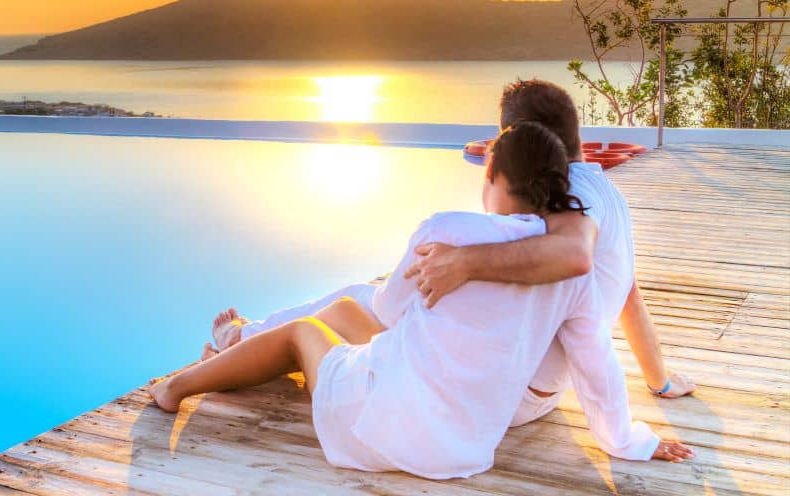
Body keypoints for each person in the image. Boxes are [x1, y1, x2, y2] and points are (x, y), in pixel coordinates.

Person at [150, 123, 693, 479]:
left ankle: (176, 389)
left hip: (380, 428)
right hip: (463, 446)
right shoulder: (572, 270)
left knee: (306, 333)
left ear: (497, 180)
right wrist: (629, 441)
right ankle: (233, 354)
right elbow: (596, 365)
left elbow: (389, 306)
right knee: (340, 315)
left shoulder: (449, 231)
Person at [212, 80, 694, 426]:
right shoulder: (608, 193)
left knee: (363, 301)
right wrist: (660, 381)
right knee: (384, 301)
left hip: (509, 395)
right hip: (538, 389)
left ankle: (242, 339)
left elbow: (574, 255)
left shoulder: (574, 195)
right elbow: (628, 296)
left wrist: (464, 262)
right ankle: (257, 340)